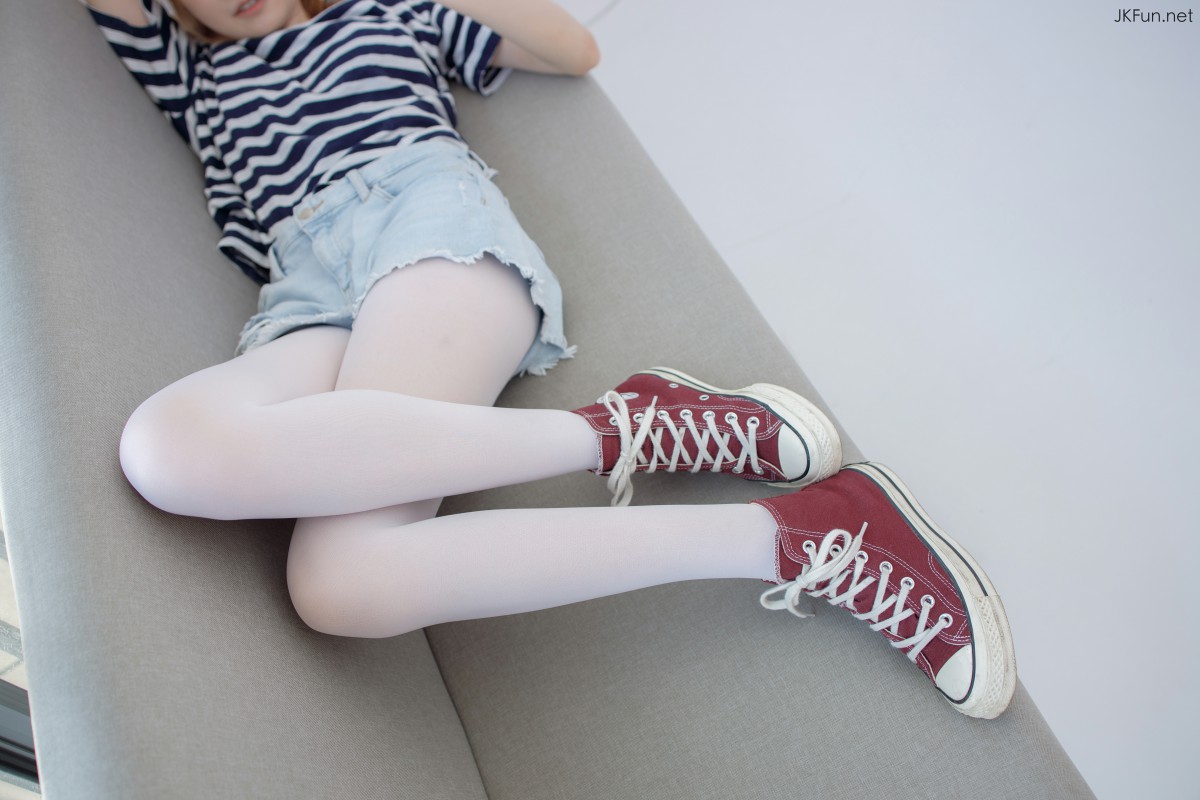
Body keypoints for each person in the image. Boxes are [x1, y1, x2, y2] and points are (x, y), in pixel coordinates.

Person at [83, 0, 1016, 719]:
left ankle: (785, 524)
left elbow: (573, 48)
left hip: (424, 220)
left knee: (335, 581)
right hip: (304, 294)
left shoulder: (388, 13)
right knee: (179, 460)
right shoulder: (190, 78)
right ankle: (659, 444)